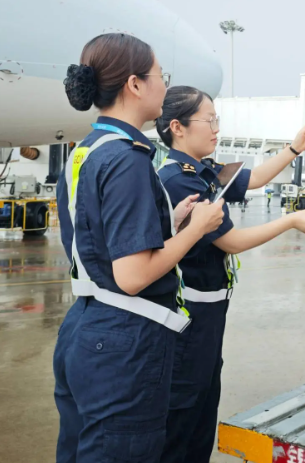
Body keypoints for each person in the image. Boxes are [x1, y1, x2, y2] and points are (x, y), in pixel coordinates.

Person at [52, 34, 226, 463]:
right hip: (123, 342)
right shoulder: (128, 159)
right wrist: (195, 229)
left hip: (85, 328)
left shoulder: (87, 150)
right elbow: (132, 276)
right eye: (160, 76)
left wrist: (170, 223)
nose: (164, 87)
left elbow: (96, 239)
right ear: (134, 85)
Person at [155, 86, 305, 463]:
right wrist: (289, 221)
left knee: (202, 411)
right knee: (184, 421)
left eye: (218, 120)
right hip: (189, 319)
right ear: (177, 128)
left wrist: (296, 147)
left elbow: (253, 179)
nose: (216, 128)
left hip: (210, 314)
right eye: (209, 120)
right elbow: (231, 241)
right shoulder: (180, 178)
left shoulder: (203, 170)